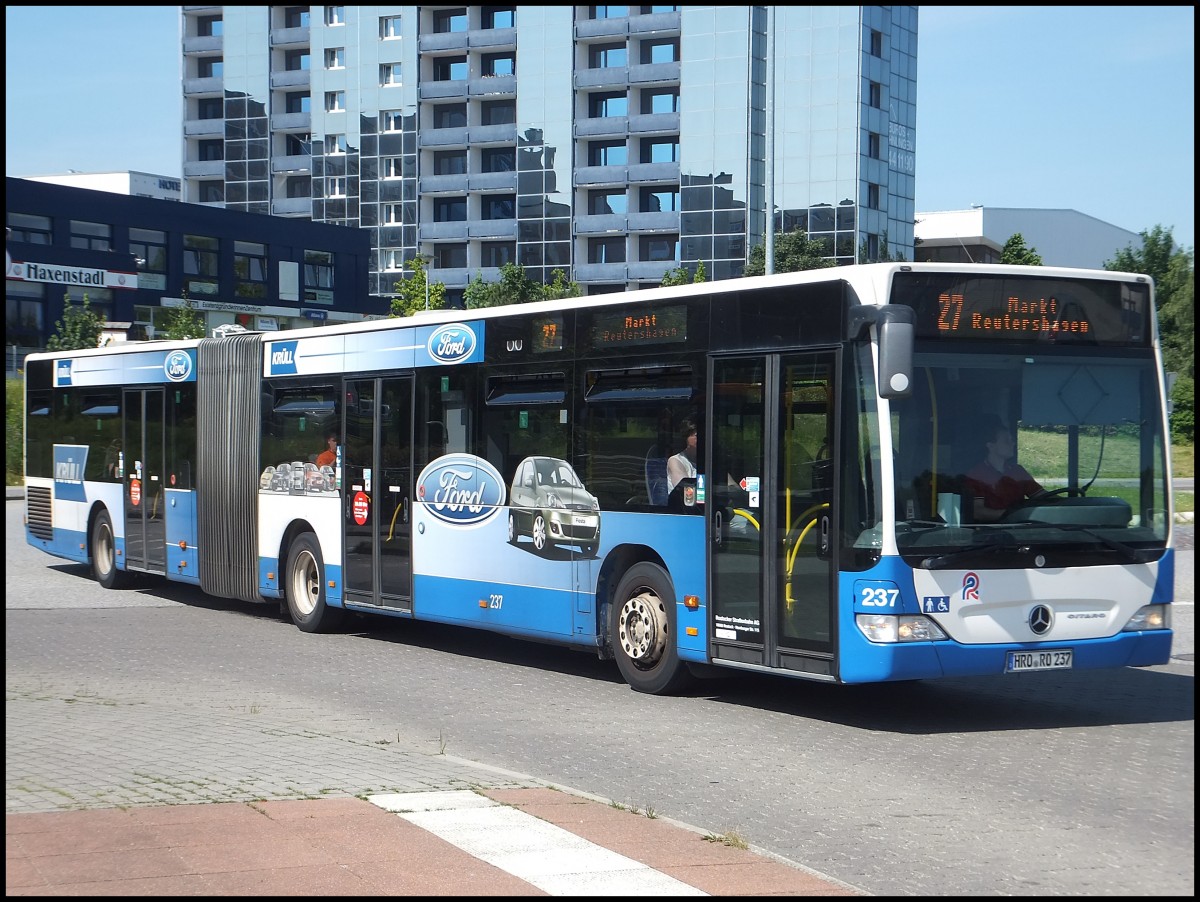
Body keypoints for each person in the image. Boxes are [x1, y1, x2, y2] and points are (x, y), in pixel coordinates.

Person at [964, 418, 1044, 522]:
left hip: (1021, 530)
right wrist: (1015, 515)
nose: (1013, 444)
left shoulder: (1018, 471)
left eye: (1012, 440)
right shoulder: (976, 475)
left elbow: (1042, 496)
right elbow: (978, 512)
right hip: (989, 533)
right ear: (990, 445)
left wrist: (1067, 504)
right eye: (1007, 441)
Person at [666, 418, 698, 493]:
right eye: (696, 435)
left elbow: (730, 487)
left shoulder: (709, 460)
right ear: (686, 437)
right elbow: (685, 491)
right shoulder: (675, 461)